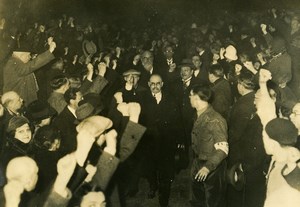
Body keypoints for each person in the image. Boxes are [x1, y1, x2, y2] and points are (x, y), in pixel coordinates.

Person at [256, 69, 300, 207]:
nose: (291, 116)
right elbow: (268, 117)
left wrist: (291, 168)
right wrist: (263, 85)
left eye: (296, 113)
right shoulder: (289, 132)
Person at [140, 74, 184, 207]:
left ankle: (163, 199)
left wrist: (179, 140)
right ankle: (153, 186)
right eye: (152, 83)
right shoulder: (142, 100)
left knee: (165, 171)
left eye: (158, 83)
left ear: (162, 84)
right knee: (150, 168)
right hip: (149, 142)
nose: (155, 86)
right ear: (148, 84)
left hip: (166, 143)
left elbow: (177, 121)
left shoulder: (171, 100)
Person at [189, 84, 228, 207]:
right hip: (198, 163)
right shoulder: (198, 115)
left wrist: (207, 167)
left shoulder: (215, 120)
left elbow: (222, 149)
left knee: (212, 202)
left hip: (212, 169)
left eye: (190, 96)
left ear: (196, 98)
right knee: (196, 201)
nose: (189, 98)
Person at [3, 37, 56, 105]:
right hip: (16, 102)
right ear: (22, 55)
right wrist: (50, 51)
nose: (30, 57)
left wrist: (48, 47)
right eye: (29, 55)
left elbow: (36, 61)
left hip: (22, 99)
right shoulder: (13, 63)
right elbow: (31, 66)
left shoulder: (17, 62)